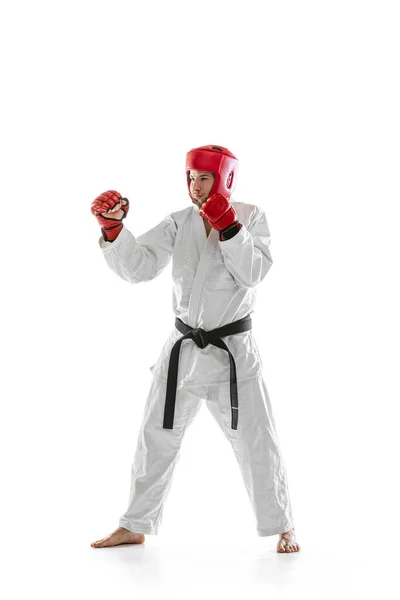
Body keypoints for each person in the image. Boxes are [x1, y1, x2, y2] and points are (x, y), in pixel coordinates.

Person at [90, 145, 300, 553]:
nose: (195, 186)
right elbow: (141, 266)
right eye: (190, 177)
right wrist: (115, 231)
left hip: (232, 354)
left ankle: (283, 525)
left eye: (204, 178)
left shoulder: (251, 216)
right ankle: (134, 524)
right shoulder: (180, 221)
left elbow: (253, 272)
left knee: (257, 440)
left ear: (225, 179)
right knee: (155, 437)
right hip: (182, 350)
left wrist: (230, 230)